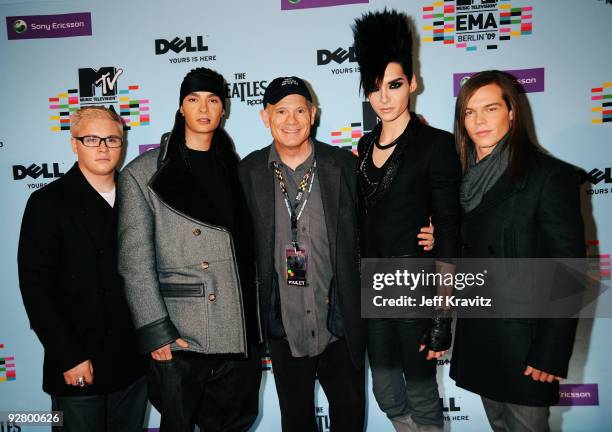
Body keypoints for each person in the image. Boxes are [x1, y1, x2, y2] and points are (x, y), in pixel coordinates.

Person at [117, 67, 261, 432]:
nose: (203, 108)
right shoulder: (142, 173)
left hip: (238, 331)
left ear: (224, 109)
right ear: (181, 108)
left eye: (213, 100)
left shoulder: (238, 168)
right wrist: (156, 331)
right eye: (193, 100)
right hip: (182, 336)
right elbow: (135, 261)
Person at [450, 70, 585, 432]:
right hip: (481, 336)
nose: (478, 120)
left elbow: (569, 269)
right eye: (469, 112)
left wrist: (550, 352)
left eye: (490, 108)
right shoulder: (463, 181)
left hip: (526, 346)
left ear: (512, 112)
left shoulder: (548, 176)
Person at [352, 9, 462, 432]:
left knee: (420, 390)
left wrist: (441, 315)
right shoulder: (362, 147)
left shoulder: (435, 145)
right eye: (375, 87)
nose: (385, 97)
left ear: (413, 83)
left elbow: (449, 229)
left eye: (394, 85)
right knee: (385, 392)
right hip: (371, 285)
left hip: (415, 284)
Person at [17, 106, 147, 432]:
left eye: (111, 139)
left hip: (132, 365)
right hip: (78, 363)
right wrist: (68, 356)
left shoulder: (138, 199)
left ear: (123, 144)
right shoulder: (47, 203)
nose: (103, 147)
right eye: (92, 139)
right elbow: (36, 288)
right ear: (74, 145)